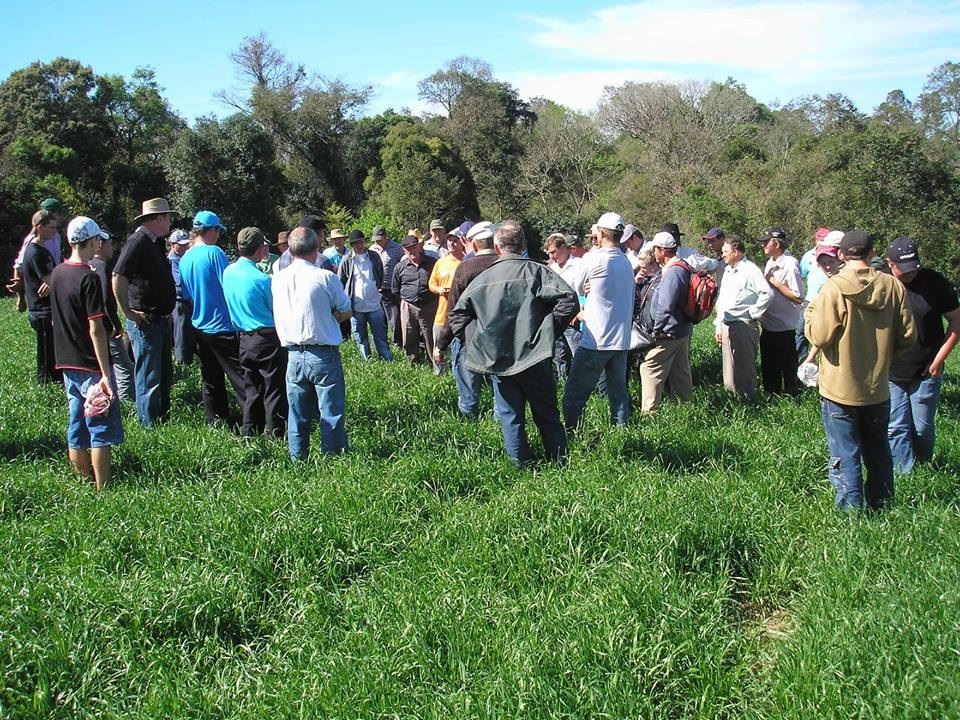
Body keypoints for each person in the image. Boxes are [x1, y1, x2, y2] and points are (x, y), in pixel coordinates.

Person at [443, 221, 578, 466]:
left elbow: (457, 314)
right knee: (547, 413)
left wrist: (478, 343)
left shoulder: (483, 279)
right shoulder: (536, 271)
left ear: (497, 246)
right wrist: (547, 333)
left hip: (498, 357)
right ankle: (560, 464)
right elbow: (569, 300)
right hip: (534, 356)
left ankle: (520, 465)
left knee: (510, 416)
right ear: (524, 244)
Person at [805, 230, 915, 511]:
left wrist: (809, 317)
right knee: (879, 450)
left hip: (840, 388)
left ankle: (851, 514)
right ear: (871, 253)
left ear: (841, 254)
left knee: (846, 452)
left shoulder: (834, 288)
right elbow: (908, 337)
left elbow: (820, 336)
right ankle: (883, 506)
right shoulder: (893, 287)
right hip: (878, 387)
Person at [50, 216, 123, 492]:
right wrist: (105, 374)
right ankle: (103, 488)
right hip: (90, 364)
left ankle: (82, 481)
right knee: (100, 426)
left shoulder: (57, 273)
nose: (99, 245)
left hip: (66, 361)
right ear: (91, 241)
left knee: (77, 424)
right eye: (97, 240)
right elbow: (96, 329)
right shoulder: (89, 278)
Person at [272, 226, 352, 459]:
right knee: (331, 410)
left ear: (290, 248)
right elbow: (346, 309)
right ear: (316, 248)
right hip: (322, 353)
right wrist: (332, 317)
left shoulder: (277, 279)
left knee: (297, 413)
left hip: (293, 354)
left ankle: (298, 459)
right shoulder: (325, 277)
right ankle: (333, 458)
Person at [885, 237, 960, 474]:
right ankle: (903, 473)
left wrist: (939, 360)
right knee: (896, 426)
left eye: (913, 268)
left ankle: (924, 467)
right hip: (891, 370)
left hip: (927, 368)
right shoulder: (882, 284)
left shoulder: (934, 282)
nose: (909, 274)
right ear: (889, 263)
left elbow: (956, 321)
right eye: (902, 270)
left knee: (921, 428)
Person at [563, 212, 635, 432]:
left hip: (596, 340)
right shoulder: (626, 261)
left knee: (574, 394)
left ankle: (574, 436)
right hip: (621, 341)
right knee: (618, 394)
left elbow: (571, 285)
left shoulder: (594, 258)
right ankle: (621, 435)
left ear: (601, 233)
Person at [113, 198, 177, 426]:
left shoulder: (155, 241)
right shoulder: (137, 241)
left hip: (159, 319)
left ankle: (161, 419)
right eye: (168, 217)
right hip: (145, 320)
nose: (170, 221)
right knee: (149, 376)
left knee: (162, 374)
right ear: (158, 218)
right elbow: (118, 276)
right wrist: (128, 312)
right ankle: (148, 425)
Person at [178, 211, 245, 426]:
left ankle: (216, 421)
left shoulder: (185, 258)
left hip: (199, 325)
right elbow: (229, 287)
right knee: (240, 377)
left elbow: (186, 295)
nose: (219, 236)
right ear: (212, 230)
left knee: (211, 378)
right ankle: (252, 422)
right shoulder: (214, 253)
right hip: (222, 325)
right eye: (218, 231)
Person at [222, 227, 288, 439]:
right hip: (267, 338)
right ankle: (275, 434)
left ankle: (249, 432)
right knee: (274, 390)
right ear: (260, 248)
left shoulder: (228, 272)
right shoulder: (263, 280)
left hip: (243, 339)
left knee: (252, 389)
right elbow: (275, 310)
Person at [434, 221, 500, 419]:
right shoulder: (505, 264)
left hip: (469, 335)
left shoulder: (465, 269)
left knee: (468, 384)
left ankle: (468, 421)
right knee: (501, 387)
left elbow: (454, 310)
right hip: (501, 335)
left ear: (474, 243)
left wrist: (441, 344)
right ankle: (500, 422)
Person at [638, 231, 695, 414]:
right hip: (681, 329)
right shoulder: (681, 265)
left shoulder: (674, 271)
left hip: (668, 331)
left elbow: (666, 304)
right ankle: (683, 409)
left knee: (649, 367)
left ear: (662, 250)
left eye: (655, 249)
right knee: (680, 371)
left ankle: (649, 413)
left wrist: (656, 330)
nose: (654, 253)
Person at [713, 236, 773, 402]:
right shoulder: (728, 271)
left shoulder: (750, 270)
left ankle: (750, 402)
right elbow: (722, 300)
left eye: (726, 252)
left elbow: (767, 294)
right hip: (727, 324)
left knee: (745, 369)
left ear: (736, 252)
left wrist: (753, 313)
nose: (722, 255)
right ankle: (732, 401)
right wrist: (718, 325)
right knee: (729, 369)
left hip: (744, 325)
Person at [88, 230, 135, 402]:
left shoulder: (89, 264)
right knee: (124, 367)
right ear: (100, 245)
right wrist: (115, 323)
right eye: (109, 244)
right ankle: (126, 403)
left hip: (93, 325)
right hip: (106, 327)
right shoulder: (102, 267)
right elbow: (105, 298)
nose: (112, 248)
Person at [759, 227, 803, 396]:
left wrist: (775, 283)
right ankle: (772, 396)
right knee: (769, 367)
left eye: (766, 242)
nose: (763, 245)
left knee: (788, 368)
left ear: (776, 243)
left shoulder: (790, 265)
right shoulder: (771, 262)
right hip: (769, 326)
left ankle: (792, 397)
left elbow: (798, 297)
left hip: (784, 328)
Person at [338, 229, 393, 361]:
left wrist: (376, 289)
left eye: (361, 242)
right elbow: (341, 281)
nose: (359, 245)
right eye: (356, 243)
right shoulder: (347, 260)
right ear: (351, 245)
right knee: (360, 337)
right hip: (356, 307)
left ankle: (387, 360)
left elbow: (380, 275)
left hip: (374, 303)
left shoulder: (374, 256)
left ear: (365, 242)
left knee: (380, 336)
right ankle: (367, 362)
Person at [20, 209, 59, 384]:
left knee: (52, 352)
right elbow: (49, 280)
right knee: (45, 356)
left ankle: (54, 382)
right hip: (42, 310)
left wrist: (53, 280)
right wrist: (53, 280)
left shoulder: (42, 250)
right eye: (51, 228)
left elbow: (53, 280)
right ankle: (45, 386)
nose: (55, 232)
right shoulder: (35, 252)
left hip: (47, 309)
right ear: (39, 227)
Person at [392, 235, 439, 369]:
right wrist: (405, 302)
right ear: (404, 251)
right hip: (408, 305)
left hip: (428, 305)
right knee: (409, 335)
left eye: (413, 248)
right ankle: (413, 363)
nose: (411, 252)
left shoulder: (432, 263)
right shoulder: (400, 267)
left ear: (419, 246)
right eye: (408, 249)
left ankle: (433, 363)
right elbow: (395, 289)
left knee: (429, 335)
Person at [544, 233, 584, 380]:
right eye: (549, 253)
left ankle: (582, 384)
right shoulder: (551, 268)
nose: (553, 256)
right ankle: (564, 383)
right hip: (556, 316)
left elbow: (583, 293)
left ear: (563, 248)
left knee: (578, 353)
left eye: (554, 252)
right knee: (559, 355)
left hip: (574, 318)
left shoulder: (579, 265)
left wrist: (578, 314)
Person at [428, 229, 466, 374]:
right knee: (439, 348)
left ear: (462, 243)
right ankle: (440, 377)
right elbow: (431, 284)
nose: (452, 243)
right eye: (449, 240)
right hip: (442, 314)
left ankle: (459, 376)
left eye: (455, 240)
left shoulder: (466, 261)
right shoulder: (440, 263)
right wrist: (439, 290)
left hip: (461, 314)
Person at [369, 225, 405, 347]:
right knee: (378, 320)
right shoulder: (372, 249)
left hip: (391, 290)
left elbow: (402, 267)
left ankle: (397, 344)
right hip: (376, 290)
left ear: (385, 236)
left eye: (380, 239)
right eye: (376, 239)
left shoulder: (397, 248)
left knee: (394, 320)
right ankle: (380, 344)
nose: (377, 242)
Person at [167, 229, 195, 365]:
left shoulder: (184, 259)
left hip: (188, 302)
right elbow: (180, 285)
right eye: (181, 245)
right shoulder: (173, 261)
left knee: (189, 335)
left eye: (186, 244)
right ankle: (182, 363)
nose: (184, 247)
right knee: (181, 336)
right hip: (180, 304)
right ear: (172, 244)